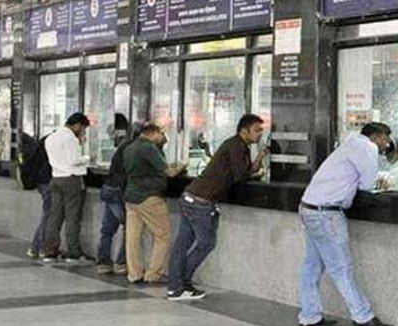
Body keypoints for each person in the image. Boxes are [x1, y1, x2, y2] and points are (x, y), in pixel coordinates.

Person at [297, 122, 396, 326]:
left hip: (309, 208)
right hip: (327, 214)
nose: (387, 144)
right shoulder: (368, 147)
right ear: (375, 137)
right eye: (385, 139)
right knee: (341, 268)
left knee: (311, 268)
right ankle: (363, 317)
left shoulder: (350, 143)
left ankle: (309, 316)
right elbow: (367, 184)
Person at [166, 114, 268, 300]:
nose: (260, 133)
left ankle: (175, 287)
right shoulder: (236, 146)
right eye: (257, 130)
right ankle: (181, 283)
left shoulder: (237, 145)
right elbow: (240, 176)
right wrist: (255, 174)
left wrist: (260, 156)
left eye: (261, 130)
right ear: (244, 130)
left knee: (182, 245)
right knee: (206, 243)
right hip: (201, 202)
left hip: (190, 197)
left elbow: (245, 171)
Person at [123, 124, 186, 284]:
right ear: (153, 133)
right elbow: (170, 172)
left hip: (131, 197)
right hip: (149, 197)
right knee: (163, 235)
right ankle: (153, 274)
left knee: (133, 238)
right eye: (161, 133)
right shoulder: (149, 148)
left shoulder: (129, 147)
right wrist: (182, 165)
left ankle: (134, 273)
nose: (163, 137)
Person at [42, 113, 92, 262]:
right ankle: (74, 252)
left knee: (55, 216)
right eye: (83, 128)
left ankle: (50, 251)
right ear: (77, 125)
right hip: (71, 180)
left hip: (56, 178)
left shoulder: (51, 137)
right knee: (72, 217)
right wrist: (88, 158)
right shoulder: (70, 138)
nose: (82, 132)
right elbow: (73, 160)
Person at [95, 120, 134, 275]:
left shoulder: (123, 147)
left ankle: (103, 262)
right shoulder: (134, 148)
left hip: (109, 189)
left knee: (108, 229)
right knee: (129, 227)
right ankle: (121, 262)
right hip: (120, 191)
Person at [23, 131, 53, 259]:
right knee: (49, 214)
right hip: (47, 181)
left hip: (41, 181)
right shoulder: (53, 141)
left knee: (48, 214)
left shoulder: (45, 140)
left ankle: (36, 247)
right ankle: (40, 247)